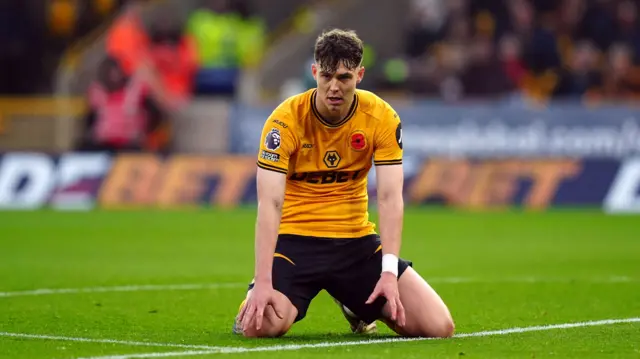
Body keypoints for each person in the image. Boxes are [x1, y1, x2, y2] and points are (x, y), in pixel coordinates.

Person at [233, 28, 455, 338]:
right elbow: (269, 203)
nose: (334, 87)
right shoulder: (284, 121)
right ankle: (256, 296)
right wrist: (263, 281)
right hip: (296, 243)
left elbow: (391, 198)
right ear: (314, 72)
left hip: (356, 245)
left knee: (438, 326)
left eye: (344, 78)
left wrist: (389, 274)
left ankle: (354, 303)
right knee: (259, 328)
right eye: (326, 77)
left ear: (360, 75)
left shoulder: (380, 117)